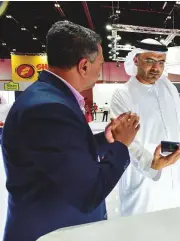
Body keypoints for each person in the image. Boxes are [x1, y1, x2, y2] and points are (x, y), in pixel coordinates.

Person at [1, 21, 140, 241]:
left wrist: (106, 139)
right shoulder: (49, 109)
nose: (101, 69)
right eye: (101, 63)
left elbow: (63, 154)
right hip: (51, 233)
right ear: (84, 66)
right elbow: (89, 193)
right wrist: (121, 145)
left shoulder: (49, 98)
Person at [110, 39, 180, 216]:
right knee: (144, 225)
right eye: (150, 61)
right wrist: (151, 164)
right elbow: (126, 142)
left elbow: (179, 127)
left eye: (161, 62)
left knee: (175, 220)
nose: (156, 68)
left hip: (174, 169)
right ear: (136, 60)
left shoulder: (168, 89)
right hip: (143, 173)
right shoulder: (123, 94)